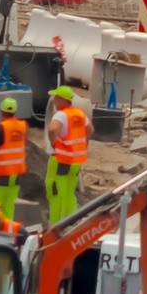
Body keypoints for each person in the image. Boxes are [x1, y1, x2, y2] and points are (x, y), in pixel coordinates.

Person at [46, 86, 93, 225]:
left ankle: (56, 226)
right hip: (75, 161)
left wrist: (55, 144)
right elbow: (90, 130)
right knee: (69, 193)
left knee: (57, 193)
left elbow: (53, 129)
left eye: (56, 97)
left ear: (62, 100)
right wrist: (81, 145)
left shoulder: (61, 114)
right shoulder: (79, 114)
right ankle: (70, 224)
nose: (54, 100)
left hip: (60, 160)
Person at [0, 97, 27, 220]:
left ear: (1, 111)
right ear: (15, 111)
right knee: (8, 209)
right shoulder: (21, 126)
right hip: (15, 176)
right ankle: (7, 234)